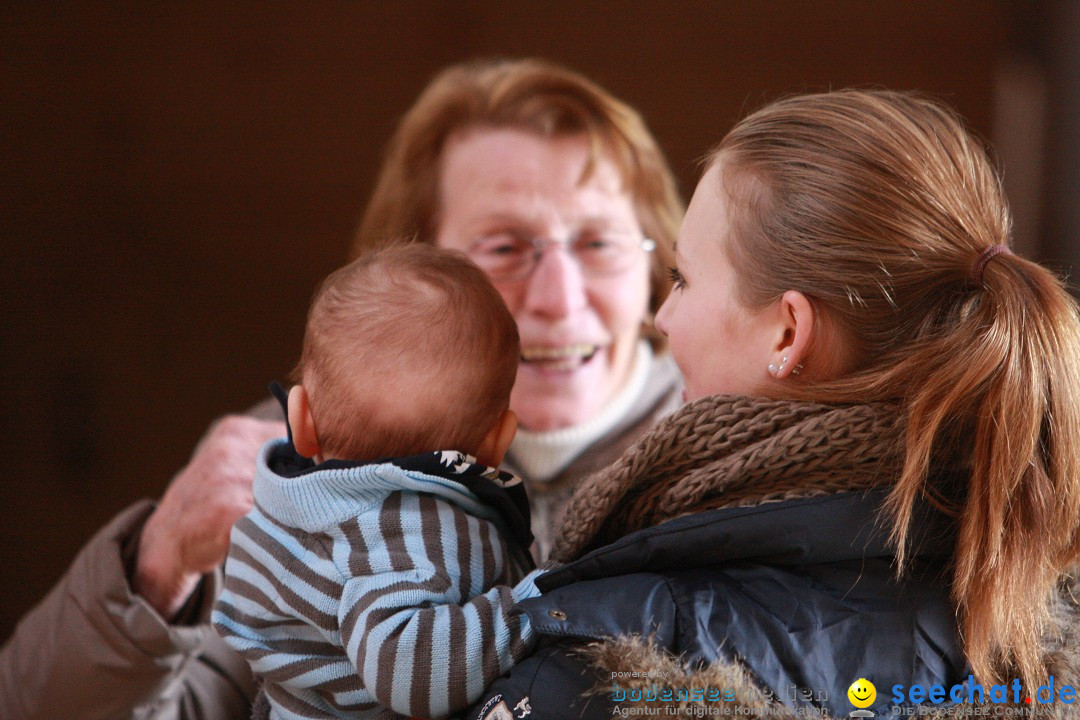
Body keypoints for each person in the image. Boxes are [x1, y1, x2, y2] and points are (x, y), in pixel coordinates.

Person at [0, 58, 684, 719]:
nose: (559, 300)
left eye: (599, 244)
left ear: (658, 267)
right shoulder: (300, 475)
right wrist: (154, 568)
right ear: (412, 268)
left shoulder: (735, 458)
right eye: (503, 248)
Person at [469, 89, 1080, 720]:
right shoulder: (1042, 620)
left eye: (684, 280)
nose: (663, 317)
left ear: (787, 334)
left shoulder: (604, 672)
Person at [213, 245, 540, 719]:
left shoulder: (279, 510)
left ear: (300, 419)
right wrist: (532, 610)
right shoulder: (419, 529)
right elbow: (404, 666)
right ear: (496, 443)